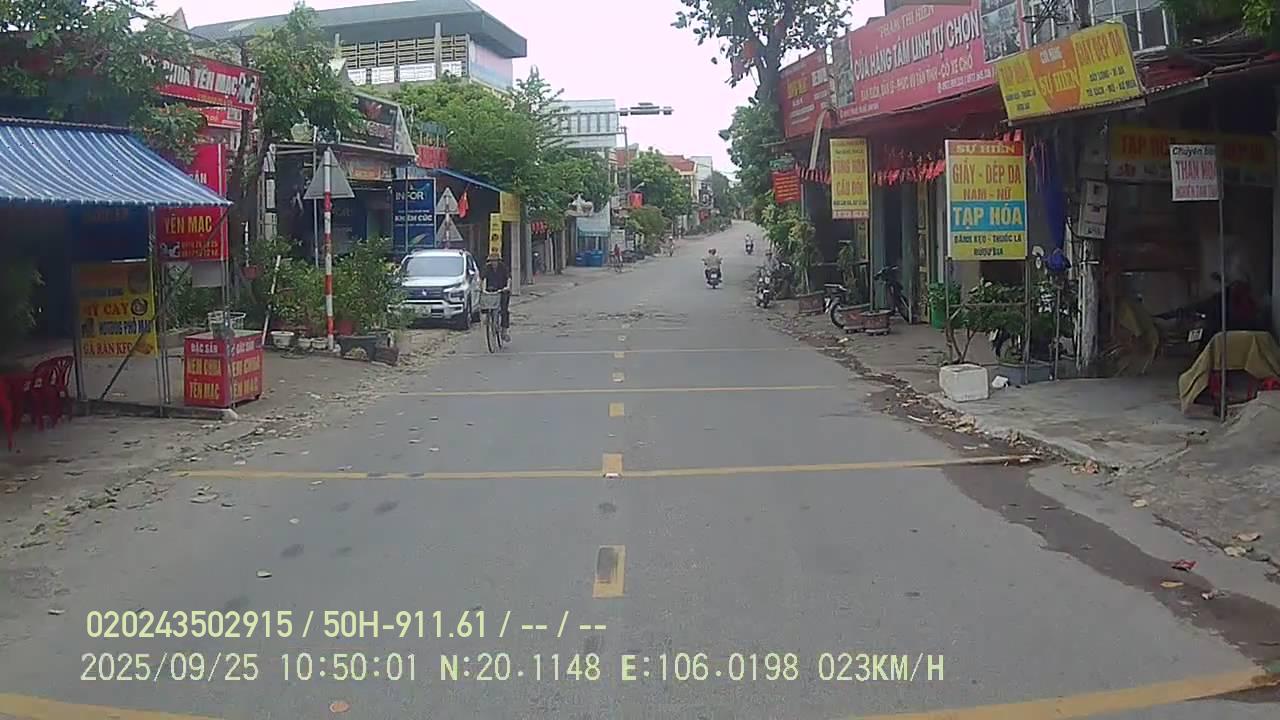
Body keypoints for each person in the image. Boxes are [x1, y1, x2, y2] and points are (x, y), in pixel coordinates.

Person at [482, 253, 511, 341]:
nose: (493, 263)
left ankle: (504, 331)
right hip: (491, 290)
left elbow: (508, 278)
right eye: (492, 261)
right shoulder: (487, 268)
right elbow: (484, 279)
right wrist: (483, 289)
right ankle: (487, 318)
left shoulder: (503, 267)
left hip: (502, 290)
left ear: (498, 261)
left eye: (495, 261)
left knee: (504, 310)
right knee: (486, 302)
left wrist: (507, 287)